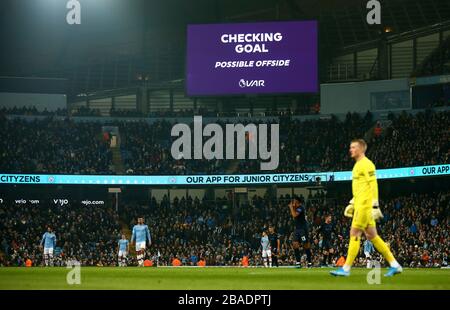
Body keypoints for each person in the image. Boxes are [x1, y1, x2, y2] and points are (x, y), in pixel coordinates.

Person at [331, 139, 402, 277]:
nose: (351, 149)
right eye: (350, 147)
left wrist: (375, 205)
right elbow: (360, 188)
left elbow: (373, 184)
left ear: (362, 149)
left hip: (364, 206)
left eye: (354, 147)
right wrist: (352, 203)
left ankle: (346, 269)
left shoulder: (367, 164)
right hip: (359, 204)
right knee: (372, 236)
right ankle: (395, 265)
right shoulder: (357, 165)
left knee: (354, 233)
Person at [288, 196, 312, 268]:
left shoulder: (301, 208)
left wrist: (291, 208)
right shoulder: (297, 208)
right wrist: (293, 208)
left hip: (303, 230)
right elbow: (294, 216)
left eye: (294, 201)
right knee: (295, 244)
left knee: (306, 245)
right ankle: (298, 262)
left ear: (297, 202)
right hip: (297, 229)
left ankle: (310, 262)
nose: (293, 203)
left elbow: (294, 215)